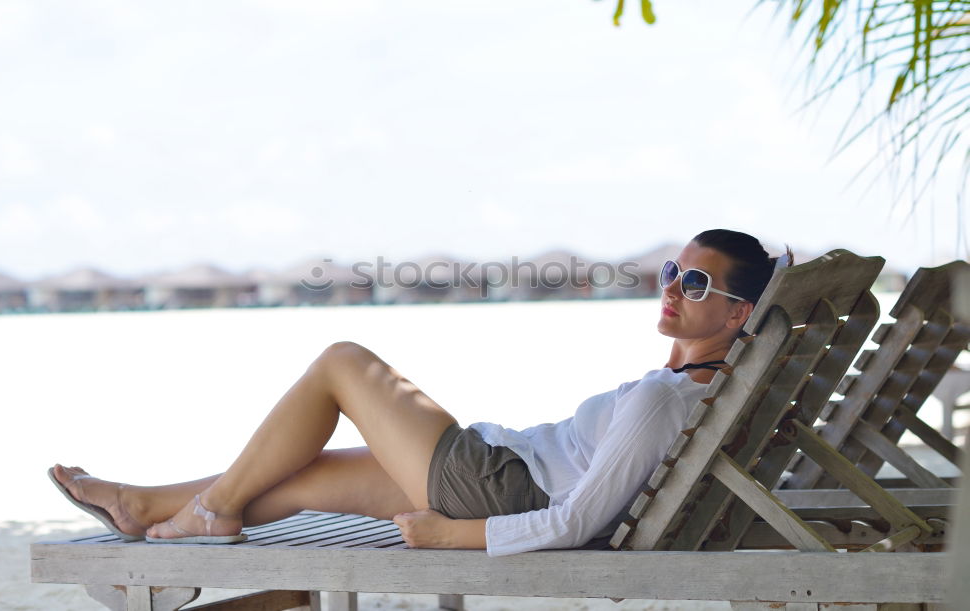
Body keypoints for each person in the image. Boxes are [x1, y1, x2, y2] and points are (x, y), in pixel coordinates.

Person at [49, 229, 792, 557]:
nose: (672, 289)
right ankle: (151, 506)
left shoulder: (666, 401)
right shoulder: (688, 383)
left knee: (343, 362)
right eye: (672, 271)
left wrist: (451, 535)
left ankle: (211, 510)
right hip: (505, 469)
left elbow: (577, 520)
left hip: (501, 492)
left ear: (735, 314)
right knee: (308, 471)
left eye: (694, 284)